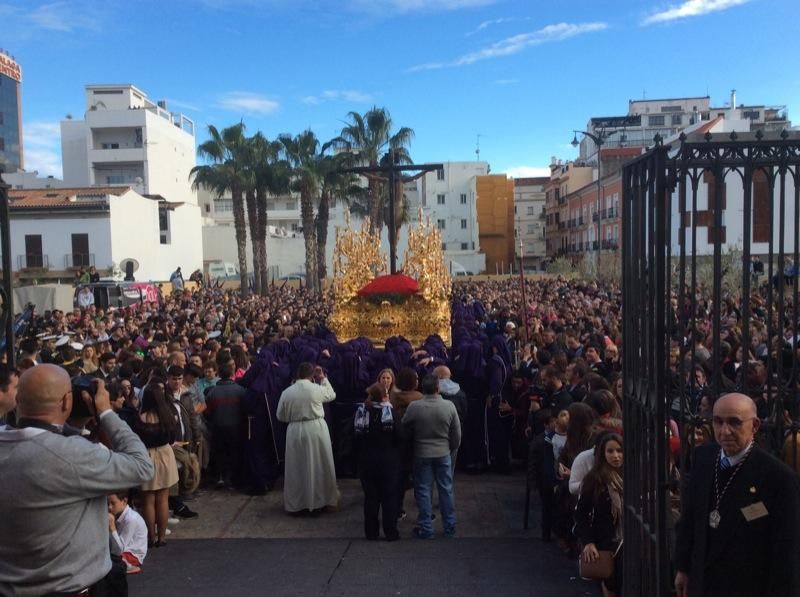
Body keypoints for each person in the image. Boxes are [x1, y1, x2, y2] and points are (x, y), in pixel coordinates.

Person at [0, 365, 154, 596]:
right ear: (66, 402)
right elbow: (142, 466)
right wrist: (106, 413)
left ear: (18, 399)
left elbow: (44, 435)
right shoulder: (72, 455)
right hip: (69, 587)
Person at [675, 393, 800, 597]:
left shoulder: (778, 478)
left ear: (755, 425)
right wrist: (682, 567)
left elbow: (786, 555)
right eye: (718, 422)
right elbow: (689, 518)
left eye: (735, 422)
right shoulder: (704, 457)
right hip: (702, 583)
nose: (725, 431)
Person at [402, 374, 461, 539]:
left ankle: (426, 528)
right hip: (443, 453)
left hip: (421, 452)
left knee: (423, 490)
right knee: (446, 489)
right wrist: (451, 448)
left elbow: (404, 425)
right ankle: (450, 527)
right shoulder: (449, 406)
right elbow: (456, 434)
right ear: (438, 388)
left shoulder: (415, 407)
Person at [276, 362, 339, 513]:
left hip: (295, 430)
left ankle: (297, 503)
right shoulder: (316, 389)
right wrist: (323, 378)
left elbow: (280, 415)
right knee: (318, 465)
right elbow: (331, 395)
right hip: (316, 428)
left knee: (297, 467)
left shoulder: (287, 392)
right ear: (312, 375)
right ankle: (320, 501)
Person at [575, 433, 624, 597]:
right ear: (602, 454)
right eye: (610, 451)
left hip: (629, 541)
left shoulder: (631, 477)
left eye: (619, 450)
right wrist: (588, 542)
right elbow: (581, 514)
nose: (615, 456)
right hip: (605, 542)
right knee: (610, 583)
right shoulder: (594, 479)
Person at [133, 383, 179, 547]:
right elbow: (173, 438)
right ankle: (162, 537)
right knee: (163, 498)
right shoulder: (168, 416)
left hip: (146, 455)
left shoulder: (140, 418)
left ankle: (150, 537)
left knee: (148, 499)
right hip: (165, 454)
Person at [355, 384, 403, 541]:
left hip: (367, 460)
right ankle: (391, 532)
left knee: (370, 498)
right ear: (384, 396)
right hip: (388, 461)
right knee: (389, 497)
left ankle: (371, 532)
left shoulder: (362, 413)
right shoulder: (391, 414)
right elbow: (401, 436)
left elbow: (353, 436)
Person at [108, 490, 148, 574]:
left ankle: (127, 566)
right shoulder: (119, 514)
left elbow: (119, 549)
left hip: (133, 555)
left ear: (124, 501)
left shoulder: (130, 519)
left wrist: (112, 527)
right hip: (123, 549)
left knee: (107, 559)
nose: (109, 507)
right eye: (108, 504)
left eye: (113, 503)